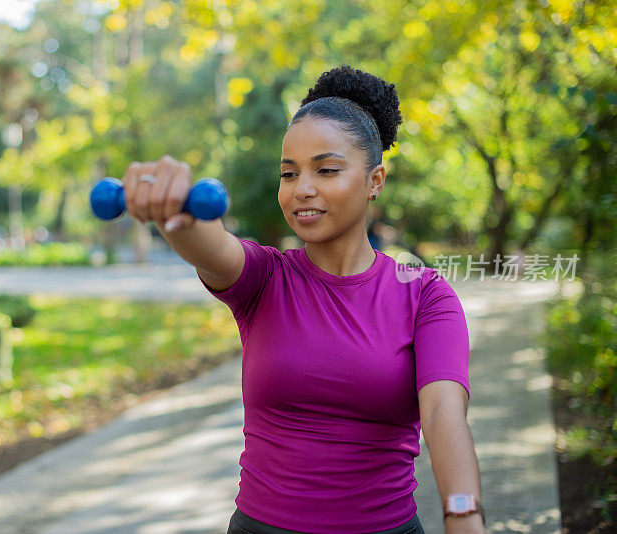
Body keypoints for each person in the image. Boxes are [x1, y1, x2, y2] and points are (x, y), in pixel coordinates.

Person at [119, 66, 484, 534]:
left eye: (326, 169)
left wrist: (462, 514)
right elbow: (209, 246)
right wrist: (176, 212)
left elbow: (442, 415)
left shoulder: (425, 293)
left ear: (375, 180)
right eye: (288, 173)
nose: (302, 189)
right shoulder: (265, 278)